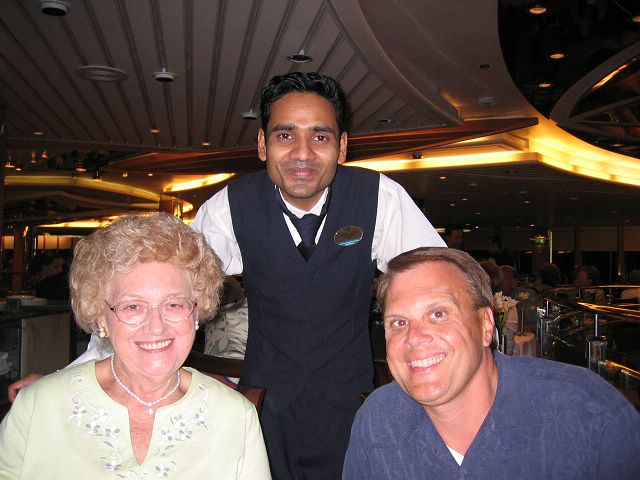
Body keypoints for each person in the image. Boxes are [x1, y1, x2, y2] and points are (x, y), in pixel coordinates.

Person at [9, 72, 444, 479]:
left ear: (342, 146)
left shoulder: (379, 197)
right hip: (264, 405)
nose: (303, 153)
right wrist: (75, 373)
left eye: (320, 136)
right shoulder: (230, 206)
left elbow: (439, 282)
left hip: (353, 402)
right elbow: (147, 290)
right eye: (285, 135)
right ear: (263, 144)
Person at [0, 213, 270, 479]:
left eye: (174, 304)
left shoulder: (236, 417)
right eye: (132, 306)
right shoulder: (38, 407)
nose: (156, 327)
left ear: (197, 312)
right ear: (101, 317)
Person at [342, 247, 640, 479]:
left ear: (486, 325)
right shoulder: (379, 420)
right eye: (398, 322)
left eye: (438, 314)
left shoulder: (586, 411)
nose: (414, 338)